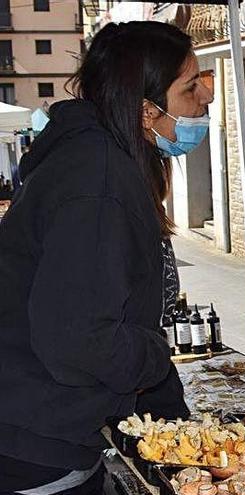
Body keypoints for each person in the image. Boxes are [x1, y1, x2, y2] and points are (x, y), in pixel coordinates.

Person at [0, 21, 212, 494]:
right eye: (190, 86)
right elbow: (78, 337)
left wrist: (178, 423)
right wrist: (155, 356)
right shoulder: (98, 178)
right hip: (35, 443)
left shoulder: (99, 158)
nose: (205, 99)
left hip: (44, 429)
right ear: (144, 109)